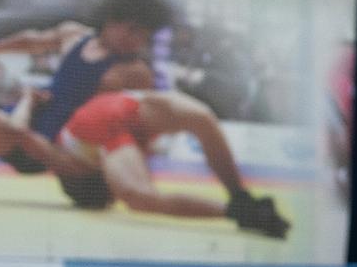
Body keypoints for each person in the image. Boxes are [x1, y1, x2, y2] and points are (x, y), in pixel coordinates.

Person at [53, 89, 290, 237]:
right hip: (124, 102)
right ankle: (240, 197)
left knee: (140, 197)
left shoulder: (77, 157)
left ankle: (238, 210)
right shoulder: (75, 146)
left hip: (104, 123)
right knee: (202, 118)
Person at [0, 0, 168, 171]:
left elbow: (141, 126)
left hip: (54, 150)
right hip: (26, 123)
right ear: (111, 20)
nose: (136, 41)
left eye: (144, 36)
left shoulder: (134, 73)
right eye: (132, 30)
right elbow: (32, 41)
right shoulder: (74, 36)